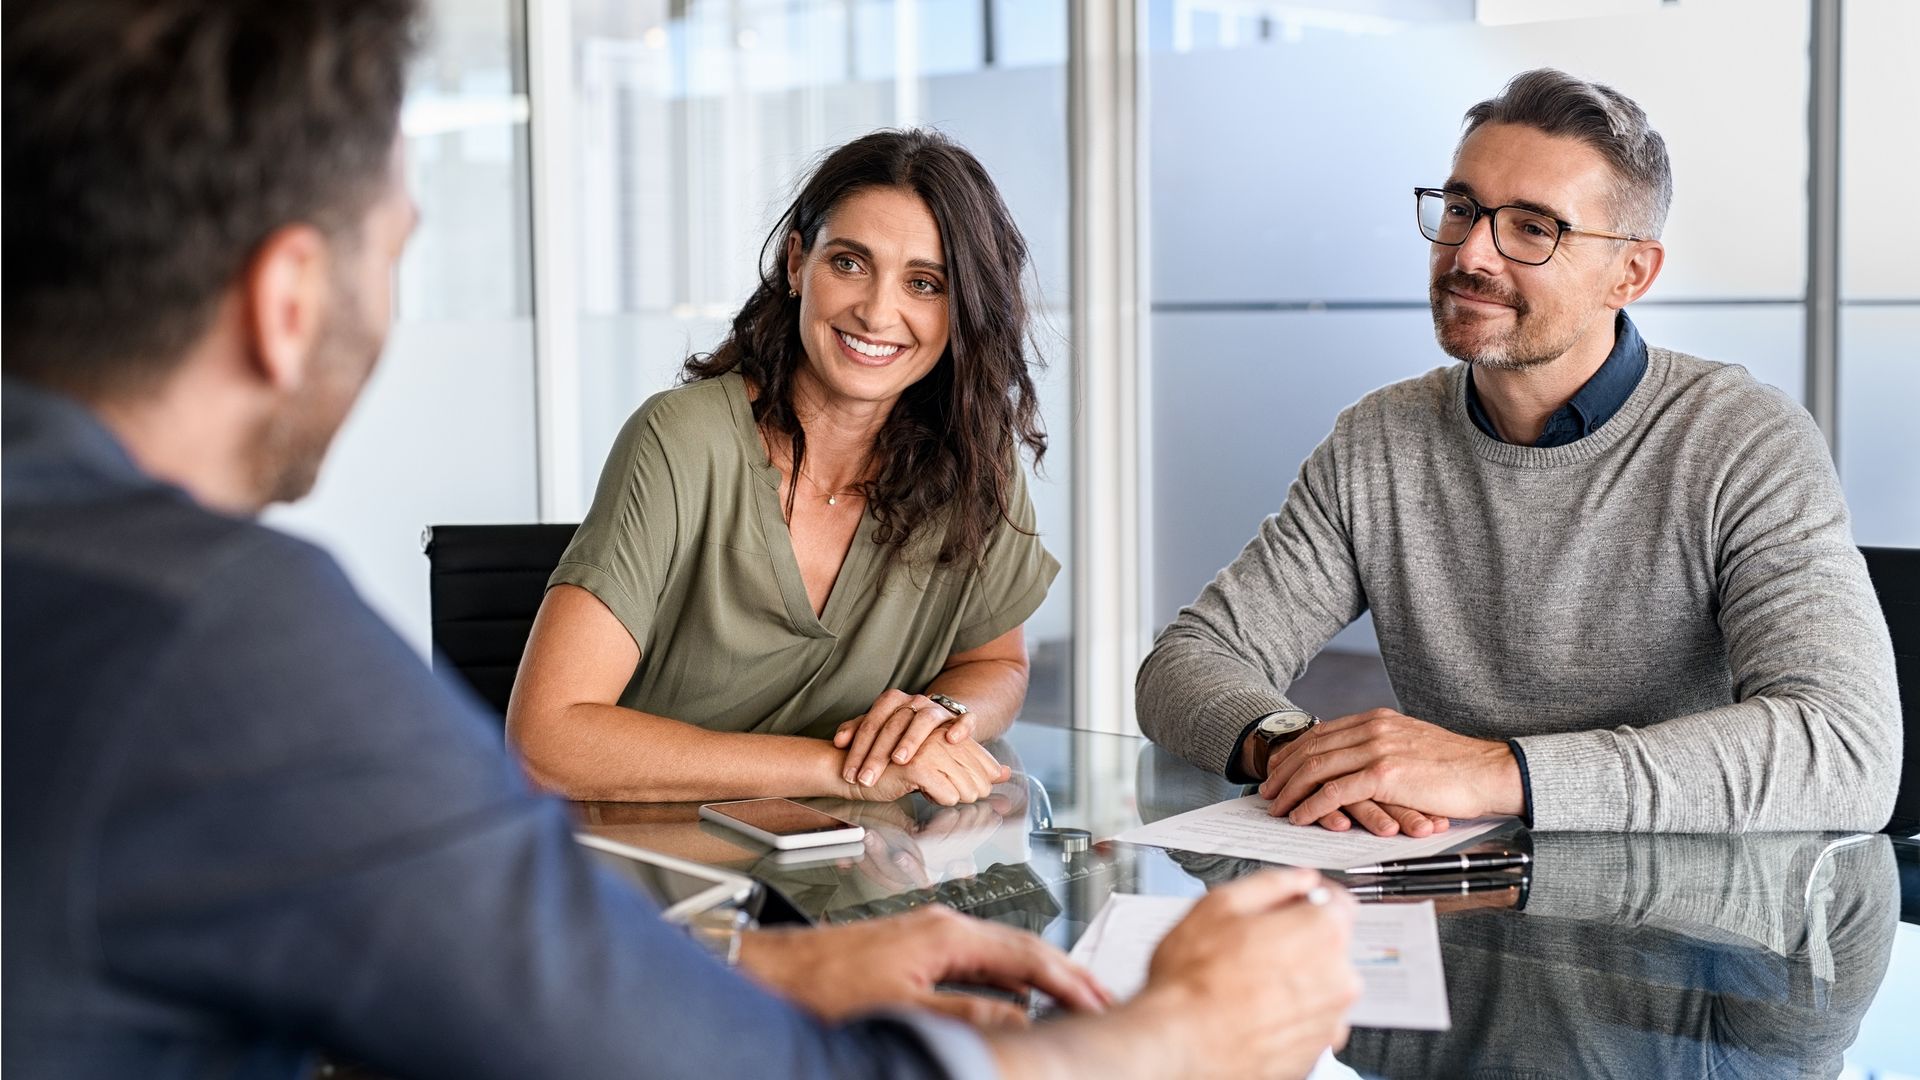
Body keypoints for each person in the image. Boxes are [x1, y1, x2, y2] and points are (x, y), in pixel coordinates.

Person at [1, 3, 1362, 1079]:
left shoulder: (89, 587)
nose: (878, 307)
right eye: (399, 246)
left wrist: (780, 956)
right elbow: (673, 1045)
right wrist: (1170, 1036)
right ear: (290, 297)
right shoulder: (223, 645)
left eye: (926, 282)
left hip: (759, 921)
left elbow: (461, 976)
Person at [1137, 68, 1901, 837]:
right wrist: (1295, 750)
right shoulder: (1379, 441)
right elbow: (1188, 661)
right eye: (1461, 209)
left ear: (1630, 273)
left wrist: (1494, 772)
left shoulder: (1742, 441)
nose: (1471, 254)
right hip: (1446, 884)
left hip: (1689, 900)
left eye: (1534, 228)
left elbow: (1844, 752)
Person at [508, 130, 1058, 806]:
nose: (877, 312)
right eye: (849, 263)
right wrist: (839, 770)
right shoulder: (682, 441)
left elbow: (995, 662)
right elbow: (546, 741)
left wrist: (940, 716)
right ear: (798, 264)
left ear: (964, 306)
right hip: (650, 855)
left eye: (924, 284)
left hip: (857, 861)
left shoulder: (974, 459)